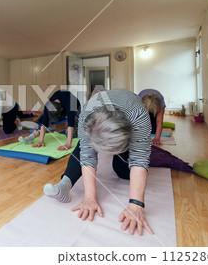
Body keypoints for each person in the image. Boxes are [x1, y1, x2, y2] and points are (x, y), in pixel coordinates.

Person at [43, 89, 153, 236]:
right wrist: (89, 197)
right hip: (102, 116)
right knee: (82, 148)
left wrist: (136, 205)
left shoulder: (138, 115)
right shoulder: (85, 116)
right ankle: (65, 184)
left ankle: (121, 153)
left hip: (129, 118)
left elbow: (139, 159)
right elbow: (87, 156)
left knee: (123, 171)